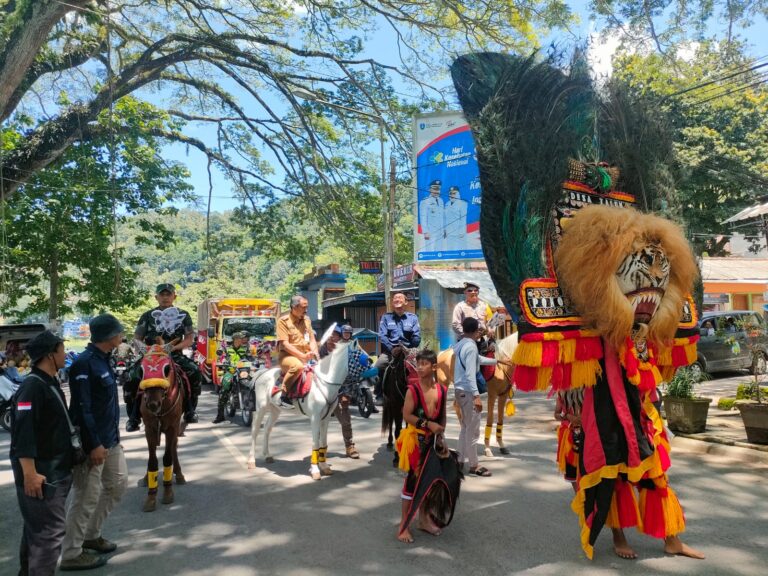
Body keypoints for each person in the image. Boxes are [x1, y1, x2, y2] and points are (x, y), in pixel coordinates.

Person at [60, 314, 128, 571]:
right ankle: (71, 553)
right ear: (111, 336)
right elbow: (82, 409)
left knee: (117, 484)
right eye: (120, 332)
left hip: (110, 439)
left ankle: (91, 535)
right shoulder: (84, 364)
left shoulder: (104, 360)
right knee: (86, 496)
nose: (122, 336)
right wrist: (93, 444)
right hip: (94, 443)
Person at [10, 330, 74, 575]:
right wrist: (30, 474)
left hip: (55, 472)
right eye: (61, 350)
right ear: (50, 355)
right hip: (42, 477)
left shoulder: (49, 381)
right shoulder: (32, 387)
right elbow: (23, 434)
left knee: (37, 531)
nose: (64, 354)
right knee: (49, 535)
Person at [127, 283, 201, 431]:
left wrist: (173, 347)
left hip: (174, 355)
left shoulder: (184, 315)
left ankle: (190, 410)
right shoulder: (147, 316)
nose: (165, 297)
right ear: (156, 297)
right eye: (162, 294)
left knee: (194, 372)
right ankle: (133, 417)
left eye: (169, 294)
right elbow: (137, 338)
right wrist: (147, 350)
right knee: (132, 376)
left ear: (174, 296)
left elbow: (188, 339)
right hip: (151, 356)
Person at [395, 349, 450, 543]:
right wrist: (428, 424)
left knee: (431, 481)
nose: (419, 367)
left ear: (434, 367)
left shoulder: (442, 390)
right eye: (417, 364)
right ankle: (403, 526)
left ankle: (424, 520)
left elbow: (442, 415)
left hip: (433, 443)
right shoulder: (413, 390)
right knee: (411, 483)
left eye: (424, 364)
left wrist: (441, 435)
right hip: (416, 442)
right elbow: (407, 416)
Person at [453, 317, 495, 477]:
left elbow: (477, 360)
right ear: (477, 331)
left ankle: (459, 460)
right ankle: (474, 465)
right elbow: (471, 374)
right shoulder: (470, 347)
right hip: (469, 391)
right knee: (473, 430)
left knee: (465, 428)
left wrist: (497, 361)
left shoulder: (463, 344)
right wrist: (476, 396)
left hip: (460, 390)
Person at [319, 324, 362, 457]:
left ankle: (349, 445)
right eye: (331, 335)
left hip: (344, 387)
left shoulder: (348, 348)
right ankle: (319, 448)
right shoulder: (323, 350)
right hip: (325, 391)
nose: (333, 338)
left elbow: (359, 359)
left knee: (344, 415)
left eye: (336, 335)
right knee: (320, 420)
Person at [374, 292, 421, 401]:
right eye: (395, 298)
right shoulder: (386, 317)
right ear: (392, 303)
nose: (397, 299)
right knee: (378, 367)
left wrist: (410, 349)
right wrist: (391, 349)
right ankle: (379, 394)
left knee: (423, 366)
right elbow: (382, 335)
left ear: (406, 302)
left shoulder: (413, 318)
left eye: (400, 298)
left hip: (408, 351)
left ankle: (421, 393)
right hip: (391, 351)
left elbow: (417, 336)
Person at [277, 295, 318, 406]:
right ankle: (283, 396)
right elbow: (284, 344)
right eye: (303, 307)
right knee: (298, 366)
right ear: (294, 307)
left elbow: (312, 340)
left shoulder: (307, 320)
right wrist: (302, 356)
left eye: (307, 307)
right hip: (287, 356)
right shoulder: (283, 321)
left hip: (307, 355)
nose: (306, 310)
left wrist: (316, 354)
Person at [212, 331, 252, 424]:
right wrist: (222, 361)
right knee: (224, 389)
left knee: (252, 384)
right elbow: (220, 356)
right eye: (239, 339)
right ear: (234, 339)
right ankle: (220, 415)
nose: (241, 340)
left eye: (242, 339)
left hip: (243, 371)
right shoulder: (226, 348)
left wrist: (255, 361)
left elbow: (251, 358)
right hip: (230, 371)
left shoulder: (246, 348)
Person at [418, 179, 445, 252]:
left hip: (440, 232)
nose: (436, 191)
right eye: (434, 189)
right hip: (430, 233)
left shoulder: (441, 201)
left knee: (439, 252)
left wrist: (444, 230)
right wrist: (425, 232)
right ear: (430, 189)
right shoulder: (425, 202)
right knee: (430, 252)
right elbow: (423, 218)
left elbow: (442, 217)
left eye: (438, 189)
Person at [443, 185, 468, 251]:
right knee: (450, 252)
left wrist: (461, 232)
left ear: (458, 194)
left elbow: (463, 219)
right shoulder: (447, 204)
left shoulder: (463, 203)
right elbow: (445, 218)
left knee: (461, 252)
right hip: (449, 233)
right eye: (450, 193)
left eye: (454, 193)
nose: (452, 195)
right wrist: (445, 230)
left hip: (459, 233)